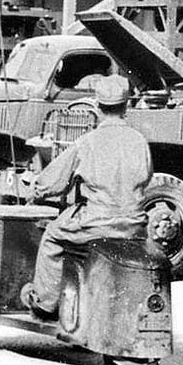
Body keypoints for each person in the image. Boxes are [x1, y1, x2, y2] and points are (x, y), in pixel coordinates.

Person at [24, 74, 151, 320]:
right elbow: (146, 178)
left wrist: (36, 190)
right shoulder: (140, 141)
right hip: (135, 224)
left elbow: (54, 182)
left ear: (98, 106)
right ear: (126, 107)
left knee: (52, 237)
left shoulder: (88, 142)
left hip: (97, 222)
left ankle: (46, 304)